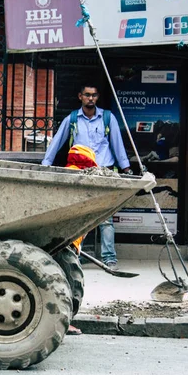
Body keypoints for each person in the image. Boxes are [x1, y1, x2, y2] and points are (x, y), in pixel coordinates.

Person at [42, 84, 132, 271]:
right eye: (87, 95)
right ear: (80, 96)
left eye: (94, 95)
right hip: (80, 173)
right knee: (79, 215)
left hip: (104, 171)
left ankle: (109, 258)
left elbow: (117, 143)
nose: (91, 98)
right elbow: (57, 141)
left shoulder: (107, 118)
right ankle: (76, 253)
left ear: (97, 97)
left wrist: (126, 168)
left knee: (105, 217)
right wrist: (45, 165)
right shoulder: (72, 119)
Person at [65, 144, 98, 336]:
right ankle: (64, 320)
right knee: (68, 281)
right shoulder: (82, 179)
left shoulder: (67, 173)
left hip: (68, 238)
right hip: (68, 240)